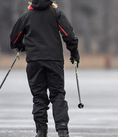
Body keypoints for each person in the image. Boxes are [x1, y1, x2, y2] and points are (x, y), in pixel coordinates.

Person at [10, 0, 80, 137]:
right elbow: (69, 35)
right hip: (54, 61)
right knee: (58, 94)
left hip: (34, 62)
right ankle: (62, 130)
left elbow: (14, 39)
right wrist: (74, 52)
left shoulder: (26, 16)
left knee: (39, 97)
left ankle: (41, 131)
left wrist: (22, 46)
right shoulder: (56, 14)